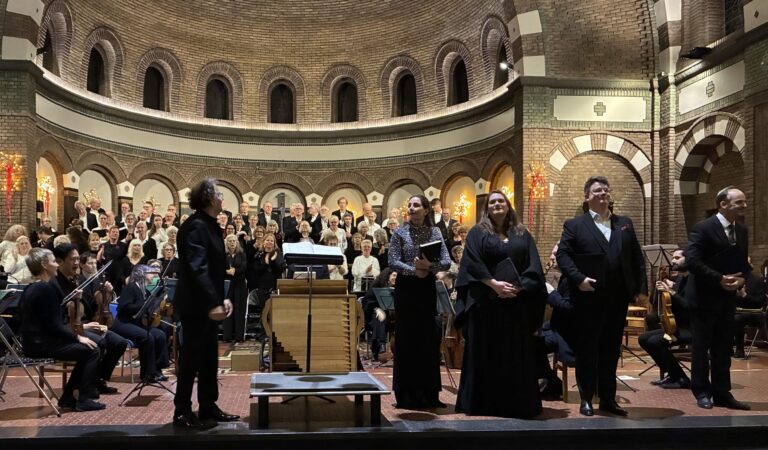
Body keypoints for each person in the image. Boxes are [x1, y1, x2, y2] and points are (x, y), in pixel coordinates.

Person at [556, 175, 647, 417]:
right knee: (587, 349)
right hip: (588, 298)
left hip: (617, 298)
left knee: (610, 349)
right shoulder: (575, 225)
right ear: (587, 197)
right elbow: (563, 255)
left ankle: (607, 399)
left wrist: (641, 290)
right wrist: (579, 279)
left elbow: (637, 258)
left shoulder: (624, 223)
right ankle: (586, 398)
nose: (603, 193)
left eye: (606, 190)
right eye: (597, 190)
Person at [454, 190, 546, 418]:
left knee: (515, 355)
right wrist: (494, 284)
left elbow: (534, 266)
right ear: (487, 207)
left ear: (508, 205)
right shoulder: (477, 232)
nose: (497, 204)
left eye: (501, 201)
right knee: (487, 355)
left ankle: (516, 405)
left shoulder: (522, 233)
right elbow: (472, 262)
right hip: (486, 304)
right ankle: (484, 404)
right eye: (492, 202)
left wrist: (519, 287)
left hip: (516, 304)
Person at [173, 178, 239, 429]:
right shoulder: (195, 226)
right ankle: (182, 411)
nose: (222, 198)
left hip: (208, 303)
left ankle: (208, 406)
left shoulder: (210, 225)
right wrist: (213, 302)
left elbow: (213, 269)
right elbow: (197, 268)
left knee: (210, 357)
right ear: (210, 198)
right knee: (190, 358)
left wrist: (221, 298)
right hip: (195, 305)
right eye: (220, 194)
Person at [685, 186, 751, 410]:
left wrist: (741, 280)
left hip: (727, 298)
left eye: (744, 202)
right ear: (723, 204)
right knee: (701, 348)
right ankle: (702, 392)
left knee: (723, 347)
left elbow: (742, 262)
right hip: (703, 297)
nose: (744, 206)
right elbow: (692, 261)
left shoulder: (742, 230)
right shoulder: (703, 228)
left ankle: (722, 393)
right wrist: (719, 278)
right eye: (739, 202)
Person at [19, 248, 105, 411]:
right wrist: (78, 337)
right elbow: (54, 325)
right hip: (41, 345)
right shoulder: (46, 288)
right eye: (53, 262)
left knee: (89, 348)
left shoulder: (31, 287)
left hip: (34, 342)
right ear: (44, 265)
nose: (57, 265)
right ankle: (82, 398)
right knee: (92, 350)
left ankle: (68, 397)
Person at [388, 194, 451, 409]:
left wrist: (428, 268)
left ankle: (429, 394)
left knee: (428, 340)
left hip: (426, 289)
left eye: (416, 205)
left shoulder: (435, 232)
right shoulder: (399, 232)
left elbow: (446, 261)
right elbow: (393, 261)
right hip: (406, 289)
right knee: (407, 340)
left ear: (426, 210)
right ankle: (405, 395)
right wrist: (415, 270)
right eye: (410, 205)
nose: (412, 208)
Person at [52, 245, 127, 395]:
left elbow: (93, 305)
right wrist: (83, 327)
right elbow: (58, 319)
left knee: (119, 343)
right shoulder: (54, 284)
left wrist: (108, 293)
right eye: (72, 260)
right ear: (60, 262)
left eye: (77, 259)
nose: (76, 263)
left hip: (85, 323)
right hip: (70, 328)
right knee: (100, 343)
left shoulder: (79, 280)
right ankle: (87, 385)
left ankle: (98, 379)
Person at [638, 249, 691, 389]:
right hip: (677, 327)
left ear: (688, 259)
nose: (673, 261)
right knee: (643, 338)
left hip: (690, 328)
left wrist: (670, 291)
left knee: (655, 341)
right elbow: (677, 292)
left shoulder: (694, 279)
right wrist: (667, 286)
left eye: (677, 258)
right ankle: (673, 374)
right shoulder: (680, 278)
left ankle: (681, 378)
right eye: (673, 257)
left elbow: (688, 306)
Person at [110, 264, 169, 383]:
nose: (153, 275)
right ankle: (147, 373)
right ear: (142, 274)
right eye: (150, 272)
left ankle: (157, 370)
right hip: (123, 323)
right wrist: (143, 306)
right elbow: (123, 307)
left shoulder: (145, 290)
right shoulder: (131, 288)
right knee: (147, 337)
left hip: (136, 324)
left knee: (160, 335)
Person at [732, 260, 767, 358]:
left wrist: (745, 295)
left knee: (737, 319)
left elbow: (760, 302)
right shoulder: (736, 280)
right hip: (737, 311)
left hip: (754, 314)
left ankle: (739, 349)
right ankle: (727, 348)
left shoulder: (757, 281)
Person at [223, 234, 247, 342]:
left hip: (239, 284)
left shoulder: (241, 254)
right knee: (227, 309)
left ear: (237, 243)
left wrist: (235, 271)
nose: (232, 243)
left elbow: (244, 267)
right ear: (226, 243)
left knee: (239, 309)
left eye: (234, 241)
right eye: (230, 241)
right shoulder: (223, 255)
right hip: (227, 284)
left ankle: (239, 336)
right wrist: (227, 271)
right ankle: (227, 336)